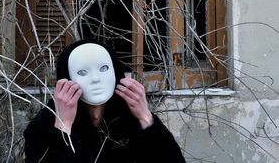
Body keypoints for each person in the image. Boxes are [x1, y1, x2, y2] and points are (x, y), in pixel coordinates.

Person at [24, 39, 186, 163]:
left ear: (115, 72)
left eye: (103, 69)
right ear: (67, 79)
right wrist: (63, 126)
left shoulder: (130, 120)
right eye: (82, 72)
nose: (95, 79)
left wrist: (146, 118)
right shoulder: (44, 124)